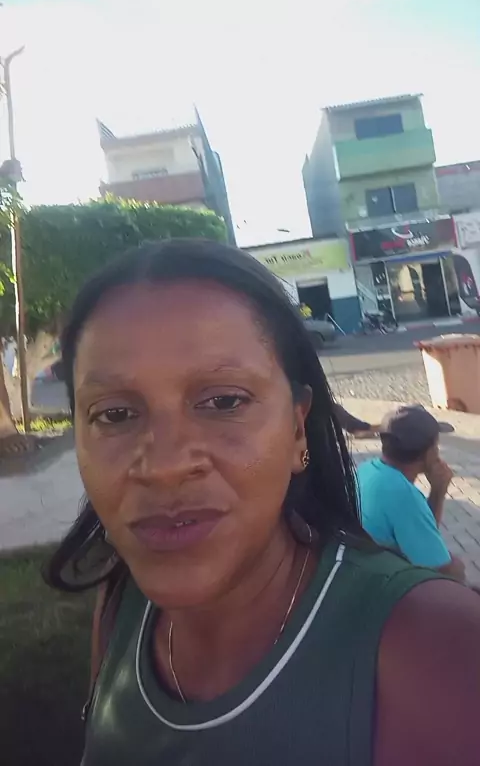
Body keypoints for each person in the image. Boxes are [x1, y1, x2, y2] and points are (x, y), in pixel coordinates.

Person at [44, 240, 480, 766]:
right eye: (114, 414)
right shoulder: (121, 605)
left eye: (223, 401)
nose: (163, 465)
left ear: (297, 428)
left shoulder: (439, 649)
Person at [357, 405, 464, 579]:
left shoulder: (367, 469)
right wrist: (439, 492)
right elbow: (441, 568)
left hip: (365, 568)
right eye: (436, 445)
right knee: (457, 568)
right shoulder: (403, 497)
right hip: (381, 582)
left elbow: (424, 539)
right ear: (429, 453)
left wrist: (437, 492)